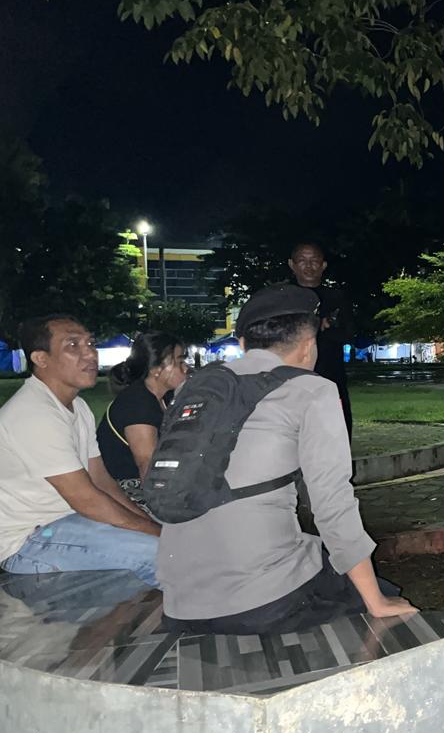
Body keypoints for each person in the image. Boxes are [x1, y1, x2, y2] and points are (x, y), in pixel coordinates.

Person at [156, 284, 415, 634]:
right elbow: (332, 503)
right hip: (263, 600)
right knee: (383, 597)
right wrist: (376, 601)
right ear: (309, 345)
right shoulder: (312, 390)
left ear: (243, 344)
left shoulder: (196, 387)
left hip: (179, 601)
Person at [0, 315, 160, 583]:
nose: (90, 353)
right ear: (41, 358)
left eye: (91, 343)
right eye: (73, 345)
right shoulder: (34, 413)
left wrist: (148, 523)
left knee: (166, 541)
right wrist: (156, 533)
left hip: (69, 522)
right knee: (164, 554)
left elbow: (102, 481)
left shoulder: (78, 407)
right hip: (27, 541)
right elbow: (86, 499)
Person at [96, 331, 189, 504]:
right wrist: (169, 507)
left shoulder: (166, 398)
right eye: (180, 362)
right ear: (156, 369)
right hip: (126, 489)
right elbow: (147, 465)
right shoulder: (138, 403)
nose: (186, 368)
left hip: (156, 480)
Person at [288, 241, 355, 438]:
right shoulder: (282, 297)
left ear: (323, 265)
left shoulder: (337, 297)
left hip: (331, 377)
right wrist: (316, 324)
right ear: (292, 265)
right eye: (302, 260)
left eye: (314, 261)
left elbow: (349, 333)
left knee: (337, 432)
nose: (309, 266)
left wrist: (325, 327)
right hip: (292, 379)